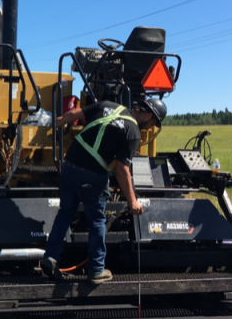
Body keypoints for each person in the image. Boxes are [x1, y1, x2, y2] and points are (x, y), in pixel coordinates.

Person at [41, 98, 167, 284]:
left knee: (65, 212)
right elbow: (121, 170)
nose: (150, 128)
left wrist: (56, 123)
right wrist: (133, 200)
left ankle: (51, 258)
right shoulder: (133, 132)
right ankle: (96, 270)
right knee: (97, 219)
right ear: (148, 115)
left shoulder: (107, 105)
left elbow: (73, 114)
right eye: (153, 124)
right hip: (91, 174)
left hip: (69, 165)